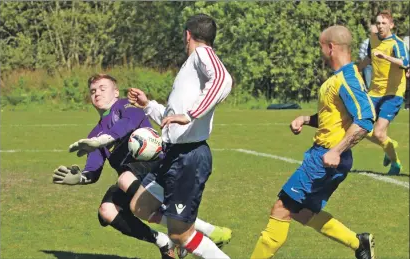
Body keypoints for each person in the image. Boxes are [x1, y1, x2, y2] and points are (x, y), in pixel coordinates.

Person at [52, 74, 229, 259]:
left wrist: (102, 140)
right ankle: (163, 242)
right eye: (93, 91)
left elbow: (127, 124)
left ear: (116, 92)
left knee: (125, 179)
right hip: (131, 180)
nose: (97, 93)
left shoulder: (125, 107)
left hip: (159, 166)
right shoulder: (95, 134)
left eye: (103, 89)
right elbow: (93, 169)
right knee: (107, 210)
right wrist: (80, 177)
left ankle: (202, 230)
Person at [250, 25, 376, 259]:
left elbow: (366, 119)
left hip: (326, 158)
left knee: (282, 208)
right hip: (324, 154)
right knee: (303, 212)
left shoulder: (348, 78)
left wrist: (337, 151)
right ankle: (359, 243)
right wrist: (307, 119)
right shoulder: (338, 79)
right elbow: (337, 117)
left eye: (321, 47)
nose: (320, 52)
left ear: (330, 48)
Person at [124, 13, 233, 259]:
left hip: (189, 157)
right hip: (173, 153)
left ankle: (197, 237)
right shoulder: (191, 66)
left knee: (179, 236)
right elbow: (172, 120)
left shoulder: (202, 54)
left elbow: (223, 80)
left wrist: (190, 114)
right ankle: (197, 230)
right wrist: (148, 105)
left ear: (188, 35)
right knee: (141, 206)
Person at [358, 10, 409, 175]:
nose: (380, 26)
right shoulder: (373, 39)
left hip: (393, 93)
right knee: (359, 127)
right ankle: (389, 145)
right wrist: (355, 70)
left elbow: (405, 62)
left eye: (384, 23)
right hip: (374, 92)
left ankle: (395, 164)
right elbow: (369, 58)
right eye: (378, 23)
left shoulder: (397, 43)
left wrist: (386, 57)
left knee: (379, 132)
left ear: (391, 25)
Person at [358, 25, 378, 90]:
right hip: (368, 66)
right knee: (369, 85)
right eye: (373, 32)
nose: (375, 34)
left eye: (376, 32)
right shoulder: (366, 42)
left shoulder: (381, 43)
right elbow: (361, 55)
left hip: (378, 66)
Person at [403, 34, 410, 110]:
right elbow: (406, 55)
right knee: (408, 86)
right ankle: (407, 105)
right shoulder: (406, 39)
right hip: (407, 66)